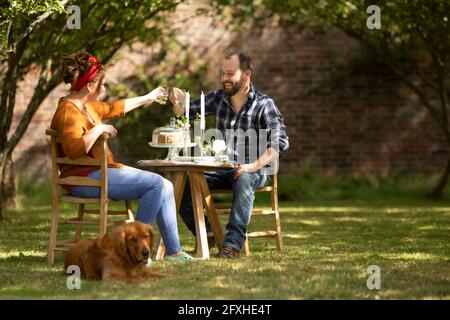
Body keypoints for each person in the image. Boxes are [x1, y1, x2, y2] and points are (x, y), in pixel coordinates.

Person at [50, 51, 195, 262]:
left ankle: (173, 252)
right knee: (155, 184)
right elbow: (73, 150)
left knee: (166, 185)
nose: (105, 89)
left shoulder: (86, 106)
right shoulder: (67, 111)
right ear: (90, 86)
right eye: (103, 84)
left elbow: (114, 107)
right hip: (82, 178)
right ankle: (133, 253)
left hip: (101, 172)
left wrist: (148, 97)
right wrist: (99, 130)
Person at [170, 52, 289, 259]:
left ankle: (232, 246)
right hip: (220, 169)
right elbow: (185, 112)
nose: (224, 78)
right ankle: (208, 235)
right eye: (222, 73)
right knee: (181, 186)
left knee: (244, 178)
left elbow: (279, 143)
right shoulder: (217, 98)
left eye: (230, 73)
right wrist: (178, 102)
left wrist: (252, 166)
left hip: (253, 170)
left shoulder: (264, 104)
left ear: (247, 74)